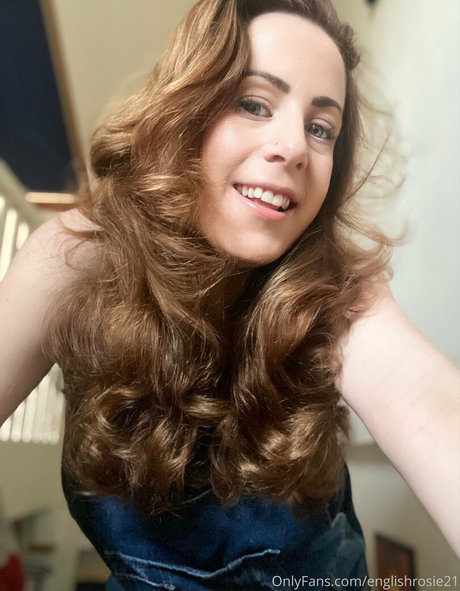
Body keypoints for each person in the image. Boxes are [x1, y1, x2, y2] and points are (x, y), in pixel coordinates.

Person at [0, 0, 459, 589]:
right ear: (186, 109)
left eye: (321, 128)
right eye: (254, 103)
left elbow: (426, 401)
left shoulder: (337, 285)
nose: (295, 146)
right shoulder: (80, 255)